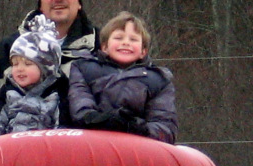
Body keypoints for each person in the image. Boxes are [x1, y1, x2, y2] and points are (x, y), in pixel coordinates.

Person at [0, 0, 99, 139]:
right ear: (40, 2)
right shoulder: (8, 48)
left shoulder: (102, 46)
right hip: (13, 157)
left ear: (79, 1)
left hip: (79, 156)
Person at [68, 11, 178, 144]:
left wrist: (137, 127)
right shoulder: (84, 68)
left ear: (143, 51)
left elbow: (165, 127)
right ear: (104, 47)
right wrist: (99, 119)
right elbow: (80, 105)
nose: (126, 43)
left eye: (133, 39)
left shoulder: (159, 80)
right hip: (93, 141)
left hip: (139, 146)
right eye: (118, 38)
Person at [0, 14, 70, 140]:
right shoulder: (8, 93)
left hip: (45, 148)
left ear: (46, 68)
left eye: (28, 64)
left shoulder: (58, 93)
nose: (20, 69)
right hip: (12, 147)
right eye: (15, 64)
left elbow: (64, 124)